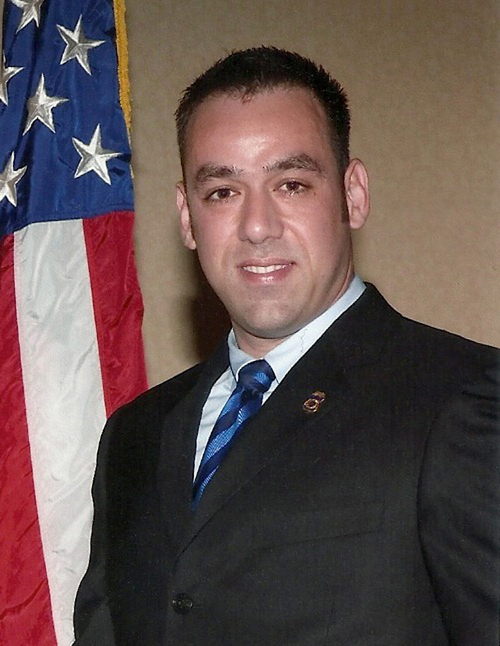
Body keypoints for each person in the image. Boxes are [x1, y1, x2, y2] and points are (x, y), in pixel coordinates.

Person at [73, 47, 499, 645]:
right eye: (222, 191)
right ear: (187, 217)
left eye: (292, 184)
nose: (257, 226)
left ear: (353, 194)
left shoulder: (463, 399)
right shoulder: (134, 434)